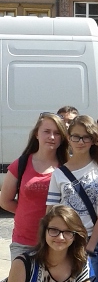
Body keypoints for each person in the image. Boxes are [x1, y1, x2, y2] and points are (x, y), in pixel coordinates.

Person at [46, 115, 98, 282]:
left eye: (86, 137)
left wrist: (90, 247)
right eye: (76, 137)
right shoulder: (59, 174)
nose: (81, 142)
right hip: (63, 241)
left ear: (93, 139)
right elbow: (50, 212)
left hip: (90, 241)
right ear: (69, 138)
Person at [0, 112, 69, 263]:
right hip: (23, 242)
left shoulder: (67, 167)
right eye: (46, 131)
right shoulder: (21, 163)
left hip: (57, 242)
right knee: (22, 279)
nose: (52, 137)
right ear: (37, 134)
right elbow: (5, 201)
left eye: (57, 133)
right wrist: (26, 212)